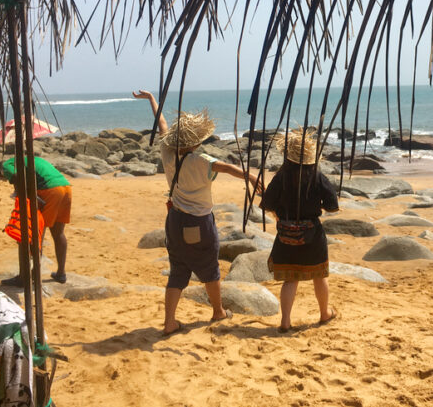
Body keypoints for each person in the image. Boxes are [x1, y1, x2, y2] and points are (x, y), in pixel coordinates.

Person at [133, 90, 262, 336]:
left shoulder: (167, 152)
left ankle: (169, 321)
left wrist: (152, 99)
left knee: (177, 270)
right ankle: (218, 311)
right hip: (200, 224)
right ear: (196, 141)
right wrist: (251, 176)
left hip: (175, 221)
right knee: (209, 268)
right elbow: (228, 167)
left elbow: (161, 124)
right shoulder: (201, 160)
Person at [261, 128, 339, 333]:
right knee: (319, 276)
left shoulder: (281, 177)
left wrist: (281, 211)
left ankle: (285, 321)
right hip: (312, 234)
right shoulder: (316, 176)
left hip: (286, 235)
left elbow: (267, 203)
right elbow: (332, 205)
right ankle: (324, 313)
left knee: (290, 279)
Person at [0, 155, 72, 285]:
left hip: (49, 190)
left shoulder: (6, 165)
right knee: (58, 233)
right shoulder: (28, 159)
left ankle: (26, 277)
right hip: (66, 187)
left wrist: (24, 193)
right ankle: (61, 273)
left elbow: (16, 178)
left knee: (35, 234)